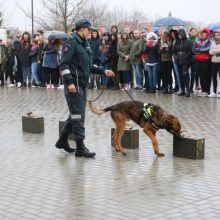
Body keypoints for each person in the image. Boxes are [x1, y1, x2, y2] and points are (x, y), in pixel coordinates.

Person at [55, 18, 114, 158]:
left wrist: (103, 71)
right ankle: (80, 147)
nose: (90, 32)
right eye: (89, 29)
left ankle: (62, 140)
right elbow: (64, 64)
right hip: (73, 87)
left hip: (82, 85)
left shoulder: (85, 44)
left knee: (76, 114)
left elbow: (88, 65)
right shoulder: (71, 43)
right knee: (78, 115)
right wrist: (69, 82)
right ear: (82, 29)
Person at [173, 29, 193, 97]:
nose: (179, 36)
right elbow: (174, 51)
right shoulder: (177, 42)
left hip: (186, 61)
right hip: (178, 61)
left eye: (180, 34)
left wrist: (185, 57)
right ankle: (182, 90)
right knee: (180, 75)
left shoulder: (189, 42)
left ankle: (188, 90)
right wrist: (175, 57)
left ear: (183, 34)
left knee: (185, 75)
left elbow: (190, 51)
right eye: (178, 35)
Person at [208, 29, 220, 98]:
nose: (216, 36)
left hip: (219, 61)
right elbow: (210, 52)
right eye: (215, 35)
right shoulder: (213, 42)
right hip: (213, 61)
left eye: (218, 35)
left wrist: (214, 51)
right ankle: (214, 92)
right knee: (214, 77)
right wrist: (217, 52)